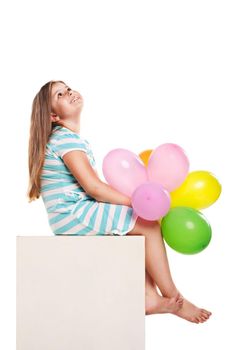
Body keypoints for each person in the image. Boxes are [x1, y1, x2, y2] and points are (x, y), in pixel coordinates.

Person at [27, 80, 212, 322]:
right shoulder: (65, 140)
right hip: (73, 213)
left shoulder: (66, 138)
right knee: (147, 225)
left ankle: (148, 297)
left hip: (69, 215)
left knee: (133, 230)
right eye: (60, 94)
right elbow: (93, 188)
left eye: (68, 88)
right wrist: (135, 202)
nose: (69, 92)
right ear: (53, 115)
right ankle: (175, 298)